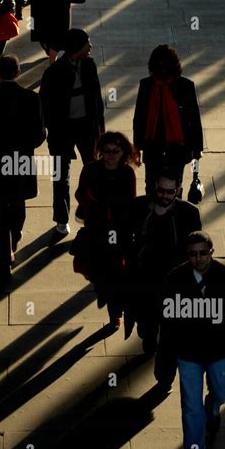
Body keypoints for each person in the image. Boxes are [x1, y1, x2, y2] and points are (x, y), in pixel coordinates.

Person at [159, 231, 225, 449]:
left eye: (203, 253)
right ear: (187, 255)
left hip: (219, 351)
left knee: (222, 391)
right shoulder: (174, 280)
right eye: (193, 254)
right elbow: (167, 326)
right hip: (188, 354)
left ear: (211, 251)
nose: (198, 258)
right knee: (191, 407)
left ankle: (213, 406)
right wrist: (165, 364)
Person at [128, 168, 202, 390]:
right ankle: (149, 339)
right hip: (145, 283)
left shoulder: (189, 213)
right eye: (161, 190)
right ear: (154, 187)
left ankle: (165, 378)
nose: (165, 196)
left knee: (171, 338)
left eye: (171, 192)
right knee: (147, 330)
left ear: (178, 190)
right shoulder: (139, 208)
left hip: (174, 286)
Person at [0, 54, 46, 282]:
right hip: (20, 158)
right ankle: (15, 236)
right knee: (18, 201)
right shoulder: (31, 98)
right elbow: (38, 135)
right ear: (18, 72)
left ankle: (3, 258)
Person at [39, 28, 105, 237]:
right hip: (63, 131)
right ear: (77, 46)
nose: (91, 46)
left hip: (86, 127)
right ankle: (61, 218)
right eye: (87, 42)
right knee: (61, 177)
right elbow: (45, 107)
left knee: (93, 173)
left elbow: (97, 100)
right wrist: (52, 130)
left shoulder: (89, 65)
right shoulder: (53, 72)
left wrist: (100, 131)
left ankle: (91, 213)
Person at [72, 131, 138, 329]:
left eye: (115, 151)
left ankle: (114, 311)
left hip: (117, 231)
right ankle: (106, 296)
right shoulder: (91, 170)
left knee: (115, 270)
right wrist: (92, 201)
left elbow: (130, 203)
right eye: (106, 151)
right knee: (99, 270)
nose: (110, 155)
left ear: (123, 152)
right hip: (96, 228)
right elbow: (79, 193)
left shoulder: (127, 173)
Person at [133, 44, 203, 195]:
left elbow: (194, 118)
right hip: (153, 145)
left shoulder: (185, 86)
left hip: (177, 146)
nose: (162, 68)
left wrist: (197, 148)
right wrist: (137, 146)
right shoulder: (146, 85)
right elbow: (139, 117)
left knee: (175, 186)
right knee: (151, 186)